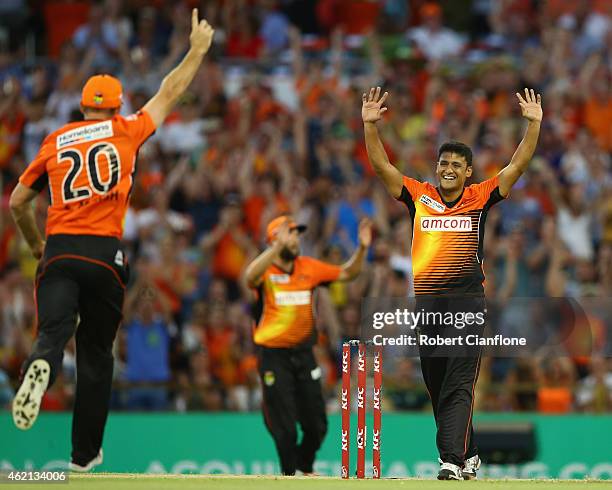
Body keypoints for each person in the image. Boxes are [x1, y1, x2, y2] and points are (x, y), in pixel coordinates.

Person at [9, 9, 214, 472]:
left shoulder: (57, 139)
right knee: (97, 356)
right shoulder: (126, 130)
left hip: (60, 248)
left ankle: (40, 365)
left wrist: (35, 244)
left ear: (82, 108)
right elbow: (170, 91)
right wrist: (196, 50)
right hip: (106, 256)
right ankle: (84, 457)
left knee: (52, 333)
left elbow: (19, 201)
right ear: (117, 106)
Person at [362, 86, 542, 479]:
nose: (447, 169)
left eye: (455, 165)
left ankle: (450, 462)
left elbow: (517, 167)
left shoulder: (479, 197)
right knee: (438, 386)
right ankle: (471, 451)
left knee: (459, 383)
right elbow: (382, 169)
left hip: (466, 304)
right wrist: (370, 127)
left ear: (467, 171)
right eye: (443, 162)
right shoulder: (419, 196)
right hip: (427, 306)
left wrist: (533, 125)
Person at [244, 215, 372, 476]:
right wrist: (274, 250)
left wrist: (361, 248)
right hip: (273, 356)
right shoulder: (265, 272)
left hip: (304, 354)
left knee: (317, 425)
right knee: (286, 429)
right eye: (290, 233)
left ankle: (304, 465)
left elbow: (348, 272)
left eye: (296, 234)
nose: (296, 239)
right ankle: (290, 477)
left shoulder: (309, 267)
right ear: (275, 239)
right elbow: (249, 277)